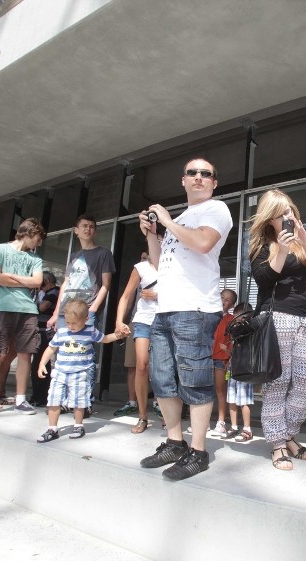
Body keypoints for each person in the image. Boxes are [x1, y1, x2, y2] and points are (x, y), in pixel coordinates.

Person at [137, 157, 232, 481]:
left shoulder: (216, 209)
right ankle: (175, 442)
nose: (199, 178)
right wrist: (153, 233)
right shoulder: (180, 218)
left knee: (196, 380)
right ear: (184, 179)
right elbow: (159, 260)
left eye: (207, 173)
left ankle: (199, 450)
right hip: (165, 309)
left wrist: (166, 220)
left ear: (214, 182)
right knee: (163, 379)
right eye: (193, 173)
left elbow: (204, 243)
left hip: (195, 308)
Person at [249, 189, 306, 471]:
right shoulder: (261, 245)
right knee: (277, 383)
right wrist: (280, 249)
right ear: (269, 219)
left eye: (289, 211)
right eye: (280, 214)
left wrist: (304, 241)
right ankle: (278, 443)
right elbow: (265, 280)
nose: (287, 217)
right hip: (276, 317)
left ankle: (288, 432)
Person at [0, 218, 46, 419]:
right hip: (1, 308)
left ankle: (20, 399)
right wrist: (25, 281)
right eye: (38, 238)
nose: (38, 243)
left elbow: (37, 281)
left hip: (28, 310)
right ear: (30, 234)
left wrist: (11, 278)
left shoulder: (35, 259)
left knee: (26, 354)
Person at [47, 214, 116, 404]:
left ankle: (85, 400)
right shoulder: (74, 256)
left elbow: (106, 285)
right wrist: (55, 313)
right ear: (76, 231)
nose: (88, 229)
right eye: (84, 226)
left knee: (85, 354)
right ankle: (61, 399)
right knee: (62, 352)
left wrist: (93, 309)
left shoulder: (104, 253)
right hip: (64, 311)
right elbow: (65, 284)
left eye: (92, 226)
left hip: (86, 311)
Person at [35, 300, 126, 442]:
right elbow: (51, 348)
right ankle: (52, 428)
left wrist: (118, 335)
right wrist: (42, 364)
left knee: (79, 401)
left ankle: (78, 425)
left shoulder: (90, 331)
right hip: (60, 372)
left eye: (74, 323)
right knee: (53, 399)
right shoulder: (61, 332)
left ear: (86, 319)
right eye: (68, 322)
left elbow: (106, 339)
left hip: (80, 372)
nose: (70, 326)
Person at [114, 248, 159, 433]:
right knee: (141, 365)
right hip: (143, 320)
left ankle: (166, 413)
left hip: (165, 319)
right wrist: (119, 321)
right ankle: (142, 416)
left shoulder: (174, 265)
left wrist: (158, 296)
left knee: (164, 368)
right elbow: (125, 296)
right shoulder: (140, 267)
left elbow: (185, 295)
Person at [225, 302, 255, 441]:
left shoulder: (251, 330)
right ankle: (234, 426)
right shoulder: (235, 331)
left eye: (239, 317)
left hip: (244, 369)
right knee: (231, 398)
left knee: (244, 400)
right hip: (233, 367)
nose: (236, 319)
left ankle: (247, 428)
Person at [30, 271, 60, 407]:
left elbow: (43, 307)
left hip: (46, 332)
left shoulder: (54, 292)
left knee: (39, 363)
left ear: (46, 281)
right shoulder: (45, 293)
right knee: (38, 363)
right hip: (40, 331)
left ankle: (40, 396)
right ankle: (38, 395)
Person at [211, 288, 237, 436]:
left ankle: (221, 422)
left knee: (221, 391)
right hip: (206, 357)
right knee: (205, 390)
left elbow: (233, 341)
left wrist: (229, 357)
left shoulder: (231, 319)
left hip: (221, 358)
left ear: (232, 305)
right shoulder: (210, 315)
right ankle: (203, 421)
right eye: (222, 297)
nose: (223, 301)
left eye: (227, 300)